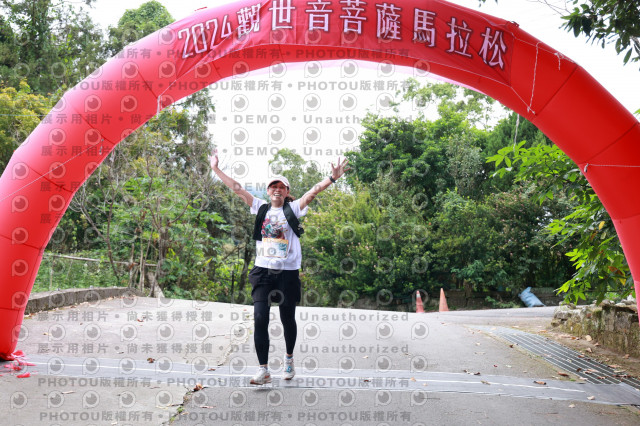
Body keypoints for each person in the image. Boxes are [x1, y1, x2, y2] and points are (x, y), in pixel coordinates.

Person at [209, 149, 349, 385]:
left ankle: (289, 358)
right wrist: (215, 168)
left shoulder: (293, 209)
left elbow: (312, 192)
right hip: (262, 271)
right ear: (267, 191)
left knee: (287, 318)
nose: (277, 189)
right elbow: (237, 188)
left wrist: (332, 178)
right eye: (273, 186)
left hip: (287, 272)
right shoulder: (260, 207)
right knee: (260, 317)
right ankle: (263, 370)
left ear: (286, 191)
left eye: (281, 187)